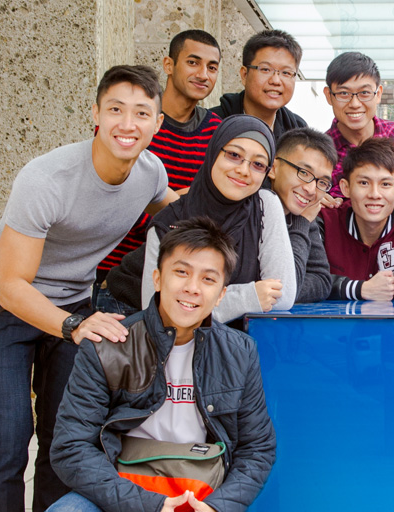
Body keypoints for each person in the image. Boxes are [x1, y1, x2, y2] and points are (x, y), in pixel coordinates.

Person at [0, 64, 176, 512]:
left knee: (65, 443)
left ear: (157, 124)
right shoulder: (47, 177)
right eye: (116, 109)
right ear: (95, 114)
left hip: (76, 308)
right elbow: (11, 283)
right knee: (8, 439)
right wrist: (72, 325)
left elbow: (181, 214)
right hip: (9, 307)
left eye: (141, 113)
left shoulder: (150, 173)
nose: (127, 123)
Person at [37, 218, 276, 512]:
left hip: (196, 506)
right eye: (181, 272)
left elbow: (258, 449)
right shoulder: (110, 344)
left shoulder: (239, 351)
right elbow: (70, 448)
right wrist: (149, 511)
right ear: (157, 277)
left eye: (208, 279)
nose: (192, 288)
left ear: (222, 294)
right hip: (122, 502)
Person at [107, 115, 296, 322]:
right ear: (213, 152)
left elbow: (282, 294)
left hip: (226, 336)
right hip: (132, 314)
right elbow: (159, 313)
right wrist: (248, 297)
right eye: (234, 155)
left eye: (258, 164)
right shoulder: (168, 223)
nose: (243, 170)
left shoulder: (264, 205)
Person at [96, 30, 223, 316]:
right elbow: (114, 193)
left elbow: (210, 205)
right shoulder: (131, 123)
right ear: (169, 65)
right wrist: (181, 202)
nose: (203, 74)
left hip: (178, 281)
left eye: (212, 67)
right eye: (193, 62)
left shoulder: (217, 131)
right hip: (115, 277)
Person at [320, 137, 394, 301]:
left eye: (385, 184)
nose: (374, 194)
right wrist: (360, 289)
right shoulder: (324, 220)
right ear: (345, 188)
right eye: (364, 183)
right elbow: (309, 280)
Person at [323, 51, 394, 201]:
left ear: (378, 94)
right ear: (328, 95)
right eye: (344, 93)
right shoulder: (319, 151)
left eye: (364, 92)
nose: (355, 104)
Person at [268, 128, 335, 303]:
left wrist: (302, 221)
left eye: (322, 182)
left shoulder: (304, 211)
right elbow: (286, 288)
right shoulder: (255, 208)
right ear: (273, 168)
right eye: (304, 173)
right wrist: (302, 222)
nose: (311, 190)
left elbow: (322, 281)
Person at [210, 29, 307, 143]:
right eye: (265, 69)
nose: (276, 81)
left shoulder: (298, 131)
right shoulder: (213, 124)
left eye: (286, 72)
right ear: (244, 75)